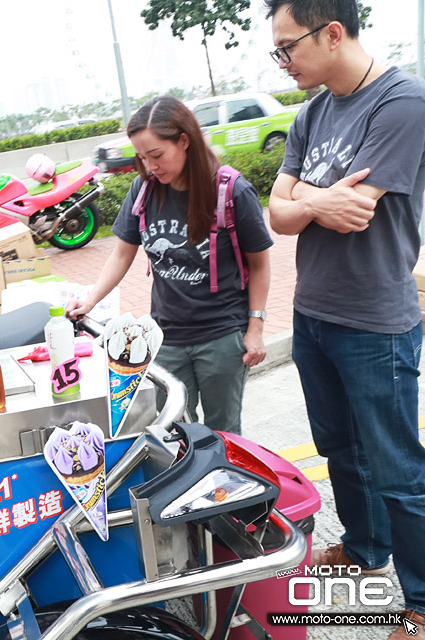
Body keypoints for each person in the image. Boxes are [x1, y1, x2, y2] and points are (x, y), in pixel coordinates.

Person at [265, 1, 425, 636]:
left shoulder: (402, 102)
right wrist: (310, 198)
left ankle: (419, 597)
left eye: (288, 47)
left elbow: (354, 210)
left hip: (375, 321)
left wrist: (303, 194)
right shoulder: (312, 112)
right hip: (314, 314)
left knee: (396, 466)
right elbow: (276, 214)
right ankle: (364, 553)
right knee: (339, 449)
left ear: (332, 33)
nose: (283, 62)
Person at [67, 95, 272, 434]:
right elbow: (122, 253)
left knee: (223, 433)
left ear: (184, 141)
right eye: (142, 158)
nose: (150, 166)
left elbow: (261, 265)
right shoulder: (144, 190)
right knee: (172, 433)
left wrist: (256, 329)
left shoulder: (231, 191)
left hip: (221, 337)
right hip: (166, 337)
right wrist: (89, 301)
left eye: (157, 155)